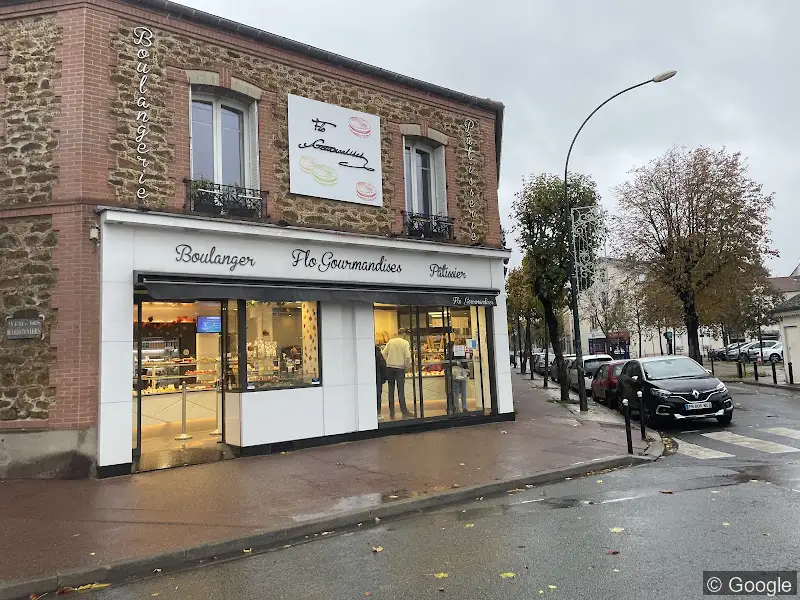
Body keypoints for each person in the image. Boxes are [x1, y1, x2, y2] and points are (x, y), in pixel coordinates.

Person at [382, 331, 412, 418]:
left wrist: (388, 361)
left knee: (391, 390)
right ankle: (404, 411)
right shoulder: (405, 343)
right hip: (400, 368)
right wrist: (406, 365)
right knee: (401, 390)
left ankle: (392, 411)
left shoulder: (390, 341)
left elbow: (384, 353)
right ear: (404, 334)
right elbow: (407, 356)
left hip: (390, 368)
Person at [375, 343, 388, 420]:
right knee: (378, 395)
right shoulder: (377, 351)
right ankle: (378, 413)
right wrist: (385, 377)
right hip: (377, 377)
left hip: (368, 378)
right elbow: (382, 364)